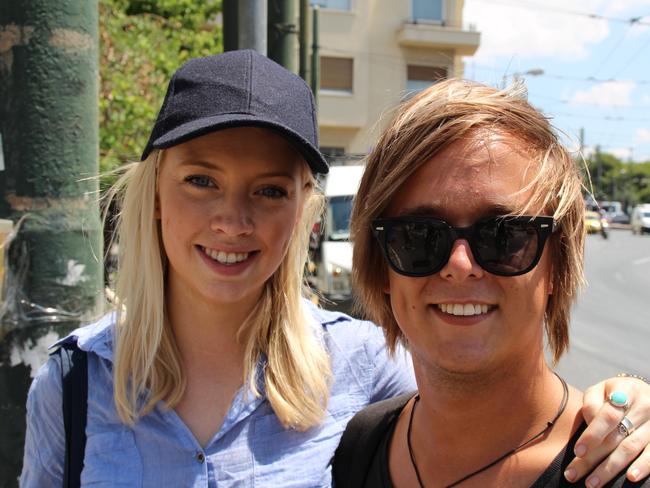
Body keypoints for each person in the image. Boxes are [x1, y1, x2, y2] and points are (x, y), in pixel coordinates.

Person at [19, 52, 650, 487]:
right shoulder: (74, 383)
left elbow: (490, 390)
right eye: (201, 181)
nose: (232, 221)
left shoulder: (367, 367)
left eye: (268, 190)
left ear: (302, 212)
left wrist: (623, 402)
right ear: (154, 196)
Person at [334, 79, 650, 487]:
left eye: (505, 235)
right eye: (418, 237)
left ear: (558, 263)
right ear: (381, 268)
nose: (460, 265)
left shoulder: (622, 472)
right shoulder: (362, 446)